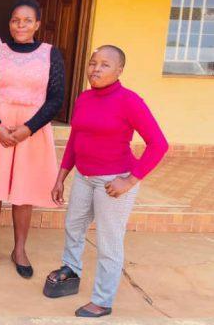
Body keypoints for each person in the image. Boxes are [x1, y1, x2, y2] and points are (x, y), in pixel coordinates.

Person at [44, 45, 168, 318]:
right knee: (74, 225)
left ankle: (102, 300)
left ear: (119, 70)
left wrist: (130, 180)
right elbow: (75, 139)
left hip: (113, 182)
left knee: (108, 241)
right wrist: (61, 177)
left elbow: (159, 144)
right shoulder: (84, 98)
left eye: (105, 65)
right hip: (84, 177)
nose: (96, 69)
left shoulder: (129, 101)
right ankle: (71, 270)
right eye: (93, 63)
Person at [0, 0, 65, 278]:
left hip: (31, 133)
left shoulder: (51, 54)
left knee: (23, 192)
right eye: (16, 20)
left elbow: (56, 99)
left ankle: (19, 250)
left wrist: (28, 128)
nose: (21, 25)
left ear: (37, 24)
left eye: (27, 20)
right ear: (9, 23)